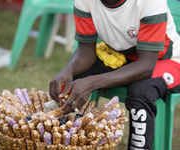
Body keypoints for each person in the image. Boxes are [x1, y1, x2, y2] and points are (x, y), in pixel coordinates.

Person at [49, 0, 180, 149]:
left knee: (142, 91)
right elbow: (86, 49)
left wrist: (92, 82)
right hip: (121, 56)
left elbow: (146, 66)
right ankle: (70, 143)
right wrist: (68, 70)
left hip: (163, 59)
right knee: (74, 83)